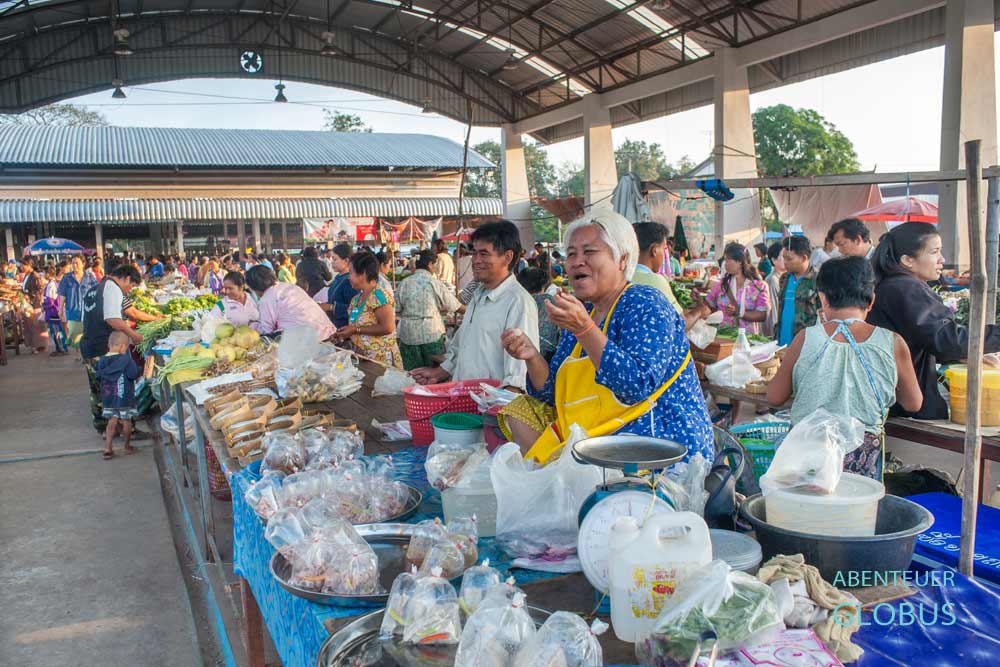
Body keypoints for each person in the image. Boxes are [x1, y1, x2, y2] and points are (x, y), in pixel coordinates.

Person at [497, 210, 713, 464]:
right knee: (518, 409)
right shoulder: (584, 311)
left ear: (622, 260)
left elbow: (636, 387)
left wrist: (585, 330)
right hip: (597, 436)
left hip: (658, 445)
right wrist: (532, 356)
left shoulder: (645, 303)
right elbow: (555, 394)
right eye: (572, 254)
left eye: (589, 252)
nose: (577, 261)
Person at [768, 257, 923, 479]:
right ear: (871, 301)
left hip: (807, 451)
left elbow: (774, 396)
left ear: (823, 299)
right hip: (861, 455)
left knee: (804, 509)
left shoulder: (806, 338)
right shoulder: (893, 342)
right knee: (855, 510)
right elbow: (913, 402)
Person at [868, 222, 1000, 420]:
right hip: (906, 405)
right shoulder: (906, 288)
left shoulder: (888, 285)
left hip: (888, 400)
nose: (942, 259)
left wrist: (962, 355)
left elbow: (922, 339)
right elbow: (946, 340)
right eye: (934, 252)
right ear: (908, 260)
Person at [411, 221, 538, 390]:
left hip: (492, 406)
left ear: (507, 257)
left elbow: (519, 374)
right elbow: (463, 345)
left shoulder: (518, 302)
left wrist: (502, 408)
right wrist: (439, 372)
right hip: (466, 398)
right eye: (474, 253)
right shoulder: (479, 294)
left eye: (484, 254)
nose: (476, 260)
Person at [80, 264, 144, 432]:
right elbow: (112, 319)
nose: (129, 290)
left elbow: (130, 312)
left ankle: (103, 427)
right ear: (127, 278)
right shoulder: (112, 288)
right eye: (131, 286)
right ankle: (126, 430)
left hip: (89, 346)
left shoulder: (94, 289)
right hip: (105, 349)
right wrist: (133, 334)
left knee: (98, 390)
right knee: (119, 390)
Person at [395, 250, 462, 370]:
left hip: (408, 335)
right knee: (434, 374)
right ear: (430, 264)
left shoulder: (404, 283)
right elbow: (455, 306)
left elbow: (397, 309)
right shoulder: (434, 283)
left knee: (412, 375)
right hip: (431, 334)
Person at [334, 252, 403, 368]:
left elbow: (388, 327)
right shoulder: (356, 299)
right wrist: (344, 333)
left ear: (363, 274)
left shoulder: (379, 296)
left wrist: (355, 330)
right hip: (364, 359)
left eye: (351, 272)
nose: (348, 277)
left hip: (381, 361)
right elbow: (357, 325)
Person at [689, 242, 770, 336]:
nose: (724, 264)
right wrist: (698, 299)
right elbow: (708, 308)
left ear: (739, 261)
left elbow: (763, 315)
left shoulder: (758, 286)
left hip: (748, 340)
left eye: (727, 260)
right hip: (723, 339)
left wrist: (739, 312)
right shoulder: (720, 285)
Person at [246, 265, 336, 341]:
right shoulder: (289, 286)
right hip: (328, 333)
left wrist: (252, 325)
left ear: (254, 287)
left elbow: (266, 330)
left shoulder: (266, 299)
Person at [95, 331, 141, 459]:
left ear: (109, 345)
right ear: (123, 346)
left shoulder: (102, 361)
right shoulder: (126, 360)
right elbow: (132, 375)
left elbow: (98, 377)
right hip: (125, 398)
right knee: (126, 422)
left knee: (111, 422)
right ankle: (126, 446)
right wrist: (140, 370)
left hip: (108, 398)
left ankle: (108, 448)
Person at [776, 236, 821, 347]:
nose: (785, 262)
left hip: (807, 345)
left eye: (789, 259)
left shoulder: (819, 279)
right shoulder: (784, 279)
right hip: (782, 343)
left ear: (804, 258)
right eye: (784, 258)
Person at [632, 222, 684, 314]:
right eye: (664, 249)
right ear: (654, 250)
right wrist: (700, 311)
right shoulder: (656, 281)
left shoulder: (619, 276)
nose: (665, 255)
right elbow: (681, 321)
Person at [516, 267, 561, 361]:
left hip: (521, 354)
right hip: (548, 356)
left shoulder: (517, 301)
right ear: (543, 285)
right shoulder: (549, 300)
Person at [315, 244, 358, 328]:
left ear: (346, 261)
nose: (332, 262)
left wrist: (331, 307)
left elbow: (356, 310)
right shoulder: (338, 278)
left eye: (335, 259)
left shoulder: (350, 281)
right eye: (332, 259)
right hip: (335, 326)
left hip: (346, 328)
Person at [58, 256, 90, 348]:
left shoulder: (89, 276)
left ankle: (86, 356)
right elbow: (62, 294)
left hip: (87, 311)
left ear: (83, 264)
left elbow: (95, 291)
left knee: (87, 335)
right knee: (75, 336)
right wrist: (60, 309)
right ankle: (80, 355)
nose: (74, 265)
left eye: (77, 263)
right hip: (73, 311)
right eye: (73, 263)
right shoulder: (67, 278)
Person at [20, 257, 48, 354]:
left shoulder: (35, 276)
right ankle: (33, 345)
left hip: (34, 304)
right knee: (30, 326)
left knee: (36, 326)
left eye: (24, 265)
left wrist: (30, 297)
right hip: (28, 304)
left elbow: (40, 290)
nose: (22, 267)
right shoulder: (27, 275)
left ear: (29, 265)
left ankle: (39, 346)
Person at [43, 265, 68, 356]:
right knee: (56, 331)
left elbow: (51, 301)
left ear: (48, 274)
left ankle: (62, 349)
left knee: (57, 332)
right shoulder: (52, 284)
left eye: (45, 273)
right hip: (53, 311)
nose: (43, 275)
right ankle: (59, 348)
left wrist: (44, 305)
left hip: (53, 312)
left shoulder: (52, 285)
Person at [763, 242, 785, 338]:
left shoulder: (785, 278)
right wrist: (774, 335)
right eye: (783, 256)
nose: (787, 260)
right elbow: (773, 312)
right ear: (774, 260)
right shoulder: (772, 280)